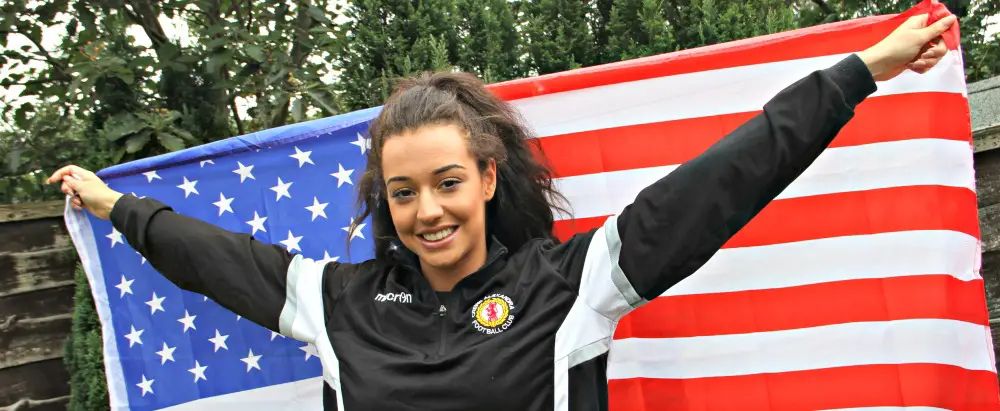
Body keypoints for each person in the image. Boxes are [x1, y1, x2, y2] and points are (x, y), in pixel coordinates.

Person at [49, 14, 956, 411]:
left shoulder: (575, 283)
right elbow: (209, 255)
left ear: (486, 177)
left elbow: (723, 180)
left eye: (447, 181)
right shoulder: (336, 301)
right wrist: (115, 203)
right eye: (403, 191)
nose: (427, 210)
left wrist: (861, 72)